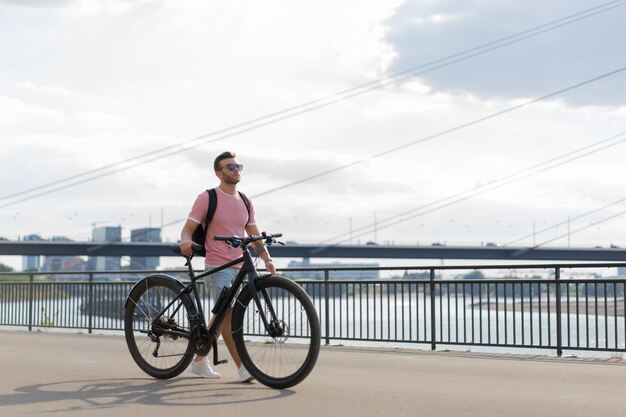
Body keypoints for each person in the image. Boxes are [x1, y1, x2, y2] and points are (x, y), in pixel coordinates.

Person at [179, 151, 277, 382]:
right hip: (217, 264)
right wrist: (185, 240)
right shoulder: (207, 198)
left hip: (239, 265)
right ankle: (243, 368)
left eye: (238, 166)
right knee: (229, 315)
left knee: (220, 315)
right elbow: (188, 229)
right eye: (230, 167)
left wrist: (267, 259)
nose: (236, 170)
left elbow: (254, 236)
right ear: (219, 173)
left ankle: (199, 362)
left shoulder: (245, 201)